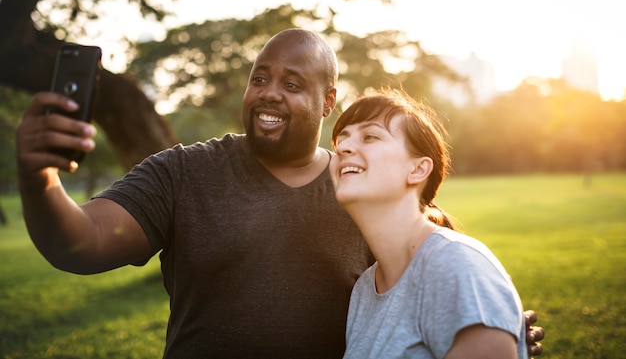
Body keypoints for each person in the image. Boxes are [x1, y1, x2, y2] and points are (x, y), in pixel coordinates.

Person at [16, 28, 543, 358]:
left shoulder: (361, 190)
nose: (270, 93)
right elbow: (79, 243)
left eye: (293, 84)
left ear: (328, 99)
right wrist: (39, 174)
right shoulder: (182, 172)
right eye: (260, 78)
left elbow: (442, 266)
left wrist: (492, 327)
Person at [330, 87, 532, 358]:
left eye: (370, 136)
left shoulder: (457, 266)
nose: (343, 147)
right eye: (341, 140)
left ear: (417, 170)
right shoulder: (365, 289)